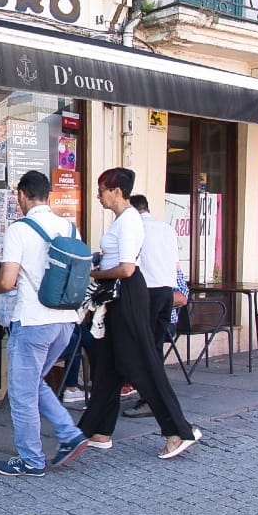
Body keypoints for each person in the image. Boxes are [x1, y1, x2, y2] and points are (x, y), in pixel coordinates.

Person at [78, 168, 201, 459]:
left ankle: (177, 431)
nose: (98, 195)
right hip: (120, 296)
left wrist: (94, 273)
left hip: (127, 294)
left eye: (102, 189)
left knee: (142, 364)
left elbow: (127, 268)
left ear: (117, 191)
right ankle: (97, 430)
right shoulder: (123, 220)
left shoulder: (130, 220)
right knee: (107, 363)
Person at [0, 170, 88, 476]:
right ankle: (70, 434)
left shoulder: (20, 230)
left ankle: (31, 460)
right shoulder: (69, 228)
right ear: (48, 195)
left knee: (22, 392)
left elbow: (9, 281)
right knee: (35, 382)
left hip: (33, 322)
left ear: (22, 196)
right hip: (66, 322)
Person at [123, 194, 179, 419]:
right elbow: (175, 265)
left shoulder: (135, 229)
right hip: (167, 292)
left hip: (148, 292)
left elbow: (128, 265)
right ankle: (152, 397)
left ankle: (151, 400)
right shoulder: (166, 228)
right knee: (154, 347)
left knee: (145, 349)